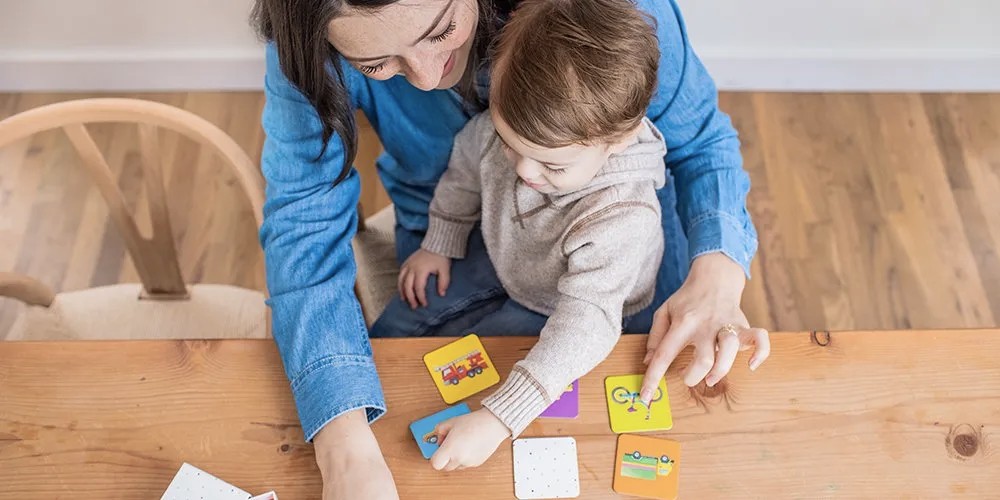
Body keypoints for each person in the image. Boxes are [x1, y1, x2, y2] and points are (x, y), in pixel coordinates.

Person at [251, 0, 770, 497]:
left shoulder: (620, 222)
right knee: (395, 373)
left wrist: (719, 273)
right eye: (376, 63)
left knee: (619, 410)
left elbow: (589, 320)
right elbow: (455, 165)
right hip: (476, 244)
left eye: (441, 32)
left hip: (604, 288)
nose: (429, 79)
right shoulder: (490, 136)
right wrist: (343, 448)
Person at [374, 0, 667, 469]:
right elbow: (467, 170)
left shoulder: (623, 217)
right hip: (507, 255)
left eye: (553, 165)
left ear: (619, 140)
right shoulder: (497, 125)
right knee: (392, 334)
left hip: (577, 306)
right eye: (511, 146)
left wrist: (498, 419)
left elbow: (587, 323)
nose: (525, 171)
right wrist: (440, 240)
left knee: (486, 376)